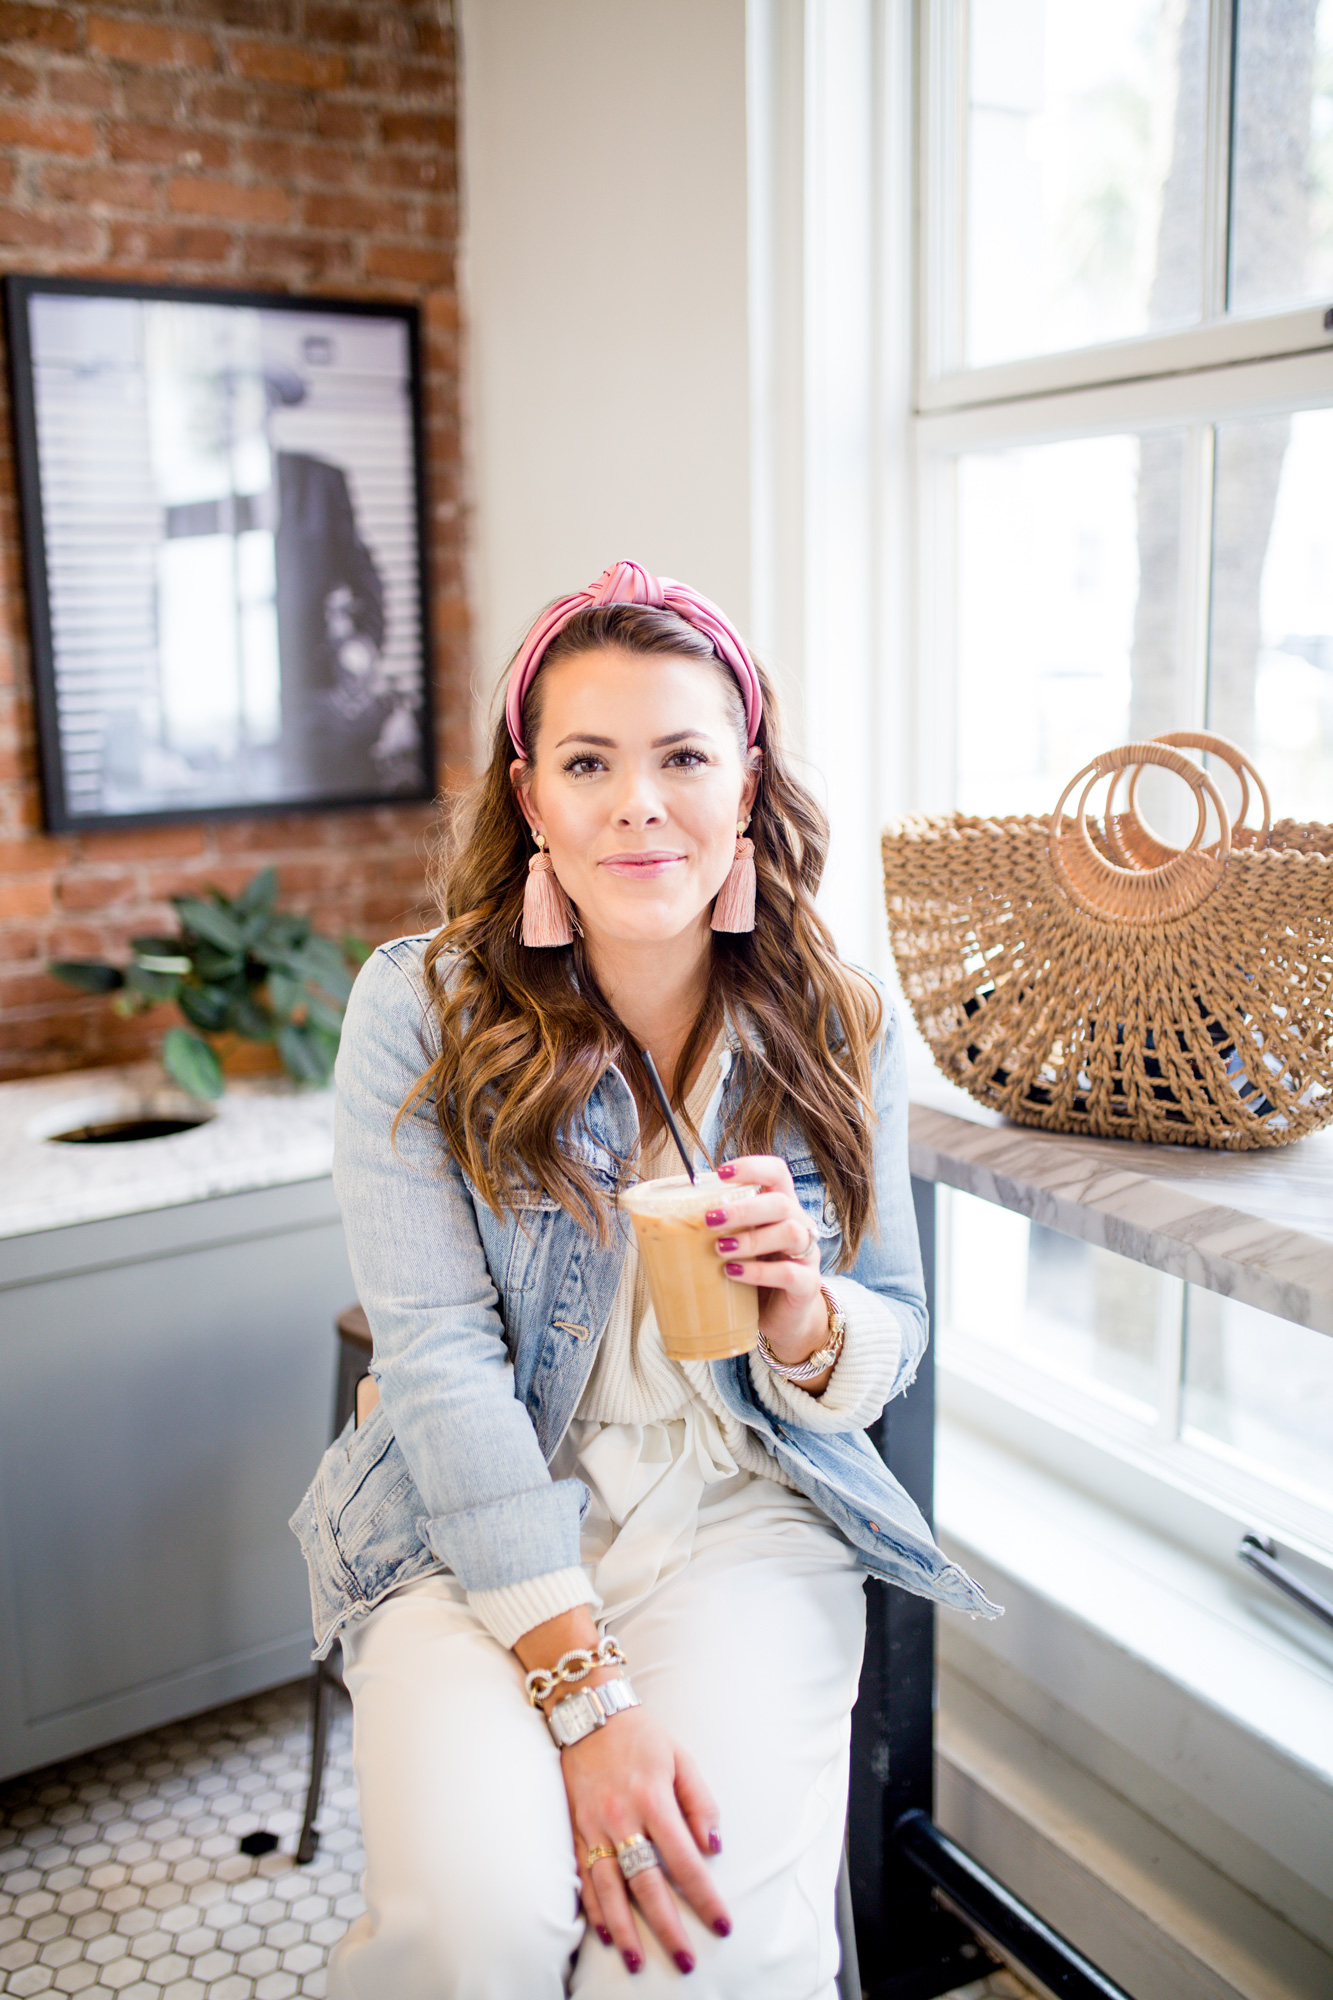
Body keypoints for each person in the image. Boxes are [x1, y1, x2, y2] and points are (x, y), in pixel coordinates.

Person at [291, 560, 996, 2000]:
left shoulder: (835, 1019)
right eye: (588, 762)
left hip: (742, 1507)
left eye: (682, 757)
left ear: (745, 782)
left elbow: (893, 1332)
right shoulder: (415, 1009)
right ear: (530, 796)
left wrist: (804, 1309)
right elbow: (436, 1362)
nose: (637, 804)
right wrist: (584, 1696)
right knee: (473, 1928)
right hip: (468, 1519)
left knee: (688, 1958)